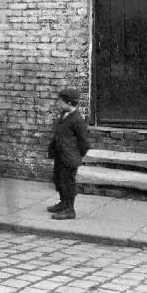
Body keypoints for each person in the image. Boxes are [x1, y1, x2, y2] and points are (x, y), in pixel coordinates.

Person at [47, 86, 90, 220]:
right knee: (58, 180)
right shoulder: (65, 115)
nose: (58, 103)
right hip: (60, 155)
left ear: (70, 103)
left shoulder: (77, 120)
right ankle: (63, 203)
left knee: (68, 183)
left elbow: (84, 143)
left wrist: (76, 156)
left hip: (69, 157)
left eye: (61, 101)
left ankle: (70, 210)